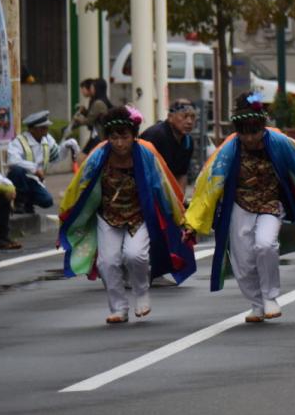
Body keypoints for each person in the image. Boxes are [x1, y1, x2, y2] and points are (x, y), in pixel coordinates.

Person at [185, 92, 295, 323]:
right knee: (243, 260)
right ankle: (256, 304)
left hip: (271, 204)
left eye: (254, 131)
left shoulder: (279, 142)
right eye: (243, 132)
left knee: (265, 245)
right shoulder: (229, 149)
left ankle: (270, 297)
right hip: (240, 205)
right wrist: (193, 222)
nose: (249, 138)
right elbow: (209, 185)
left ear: (262, 126)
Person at [58, 106, 194, 323]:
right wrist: (67, 214)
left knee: (135, 255)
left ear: (134, 135)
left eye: (124, 137)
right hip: (108, 216)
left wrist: (180, 217)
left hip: (139, 216)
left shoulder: (147, 154)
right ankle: (119, 308)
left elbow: (164, 186)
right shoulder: (98, 156)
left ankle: (141, 293)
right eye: (114, 137)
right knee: (107, 262)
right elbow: (79, 186)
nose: (119, 143)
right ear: (107, 137)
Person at [6, 110, 79, 213]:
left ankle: (28, 203)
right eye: (43, 128)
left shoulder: (47, 139)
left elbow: (56, 156)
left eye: (47, 127)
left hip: (36, 181)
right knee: (16, 171)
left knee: (47, 201)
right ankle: (19, 202)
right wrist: (34, 169)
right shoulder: (19, 141)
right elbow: (12, 161)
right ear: (33, 129)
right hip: (21, 179)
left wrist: (66, 146)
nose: (46, 131)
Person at [140, 99, 198, 190]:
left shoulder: (188, 142)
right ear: (170, 117)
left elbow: (182, 174)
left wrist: (179, 201)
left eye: (192, 117)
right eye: (185, 116)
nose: (189, 121)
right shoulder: (155, 136)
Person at [73, 78, 112, 153]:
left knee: (86, 158)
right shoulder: (99, 101)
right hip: (96, 135)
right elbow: (92, 116)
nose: (91, 89)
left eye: (92, 87)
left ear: (97, 88)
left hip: (98, 136)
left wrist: (77, 119)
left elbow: (89, 120)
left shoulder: (98, 103)